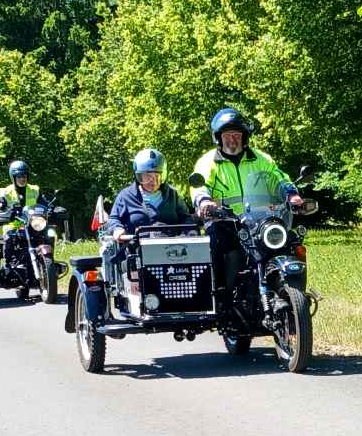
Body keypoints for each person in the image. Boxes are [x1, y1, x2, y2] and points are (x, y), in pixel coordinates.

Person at [191, 108, 303, 297]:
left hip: (260, 221)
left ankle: (293, 292)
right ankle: (221, 299)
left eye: (237, 134)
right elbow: (200, 184)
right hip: (225, 222)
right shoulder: (208, 161)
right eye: (228, 135)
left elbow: (279, 177)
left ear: (244, 137)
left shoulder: (260, 158)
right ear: (218, 137)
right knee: (218, 249)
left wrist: (291, 194)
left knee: (290, 243)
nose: (232, 139)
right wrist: (204, 201)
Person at [107, 148, 192, 242]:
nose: (153, 182)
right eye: (148, 177)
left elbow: (186, 218)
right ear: (139, 176)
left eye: (157, 176)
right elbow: (114, 219)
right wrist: (117, 229)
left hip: (171, 248)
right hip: (136, 250)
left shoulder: (172, 194)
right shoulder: (126, 196)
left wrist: (186, 234)